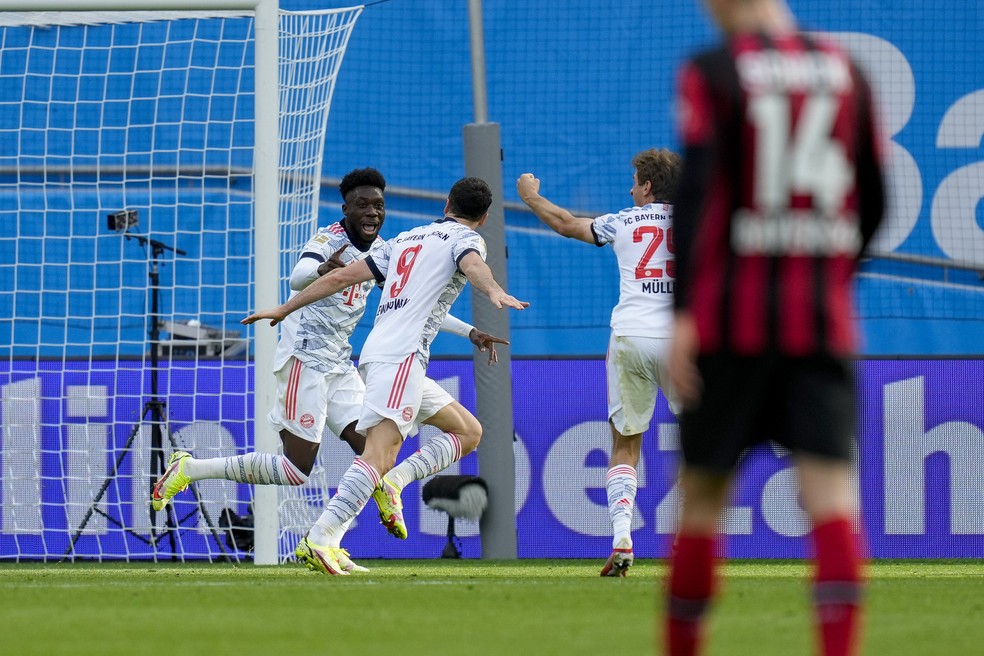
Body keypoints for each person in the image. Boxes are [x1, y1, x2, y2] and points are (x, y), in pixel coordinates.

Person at [664, 0, 886, 654]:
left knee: (701, 502)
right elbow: (874, 197)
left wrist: (684, 313)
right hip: (821, 326)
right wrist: (829, 277)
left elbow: (699, 189)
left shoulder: (712, 70)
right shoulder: (848, 68)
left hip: (729, 327)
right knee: (834, 502)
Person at [151, 168, 506, 573]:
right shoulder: (330, 238)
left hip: (342, 364)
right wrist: (321, 273)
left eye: (378, 205)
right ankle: (191, 468)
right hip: (305, 359)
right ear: (346, 209)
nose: (372, 212)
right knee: (296, 469)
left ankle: (329, 541)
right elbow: (299, 275)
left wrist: (470, 331)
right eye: (363, 205)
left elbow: (417, 301)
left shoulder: (393, 248)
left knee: (372, 455)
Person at [242, 176, 528, 575]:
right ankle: (321, 538)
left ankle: (392, 484)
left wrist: (284, 308)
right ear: (482, 218)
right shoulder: (467, 240)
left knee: (467, 432)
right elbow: (473, 264)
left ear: (446, 202)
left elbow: (340, 277)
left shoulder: (407, 239)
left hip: (382, 354)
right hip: (400, 358)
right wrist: (493, 289)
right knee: (377, 454)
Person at [516, 148, 682, 578]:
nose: (630, 189)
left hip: (630, 335)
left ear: (647, 187)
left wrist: (532, 196)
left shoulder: (625, 220)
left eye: (634, 182)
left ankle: (622, 535)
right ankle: (698, 539)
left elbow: (567, 224)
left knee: (626, 444)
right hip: (682, 339)